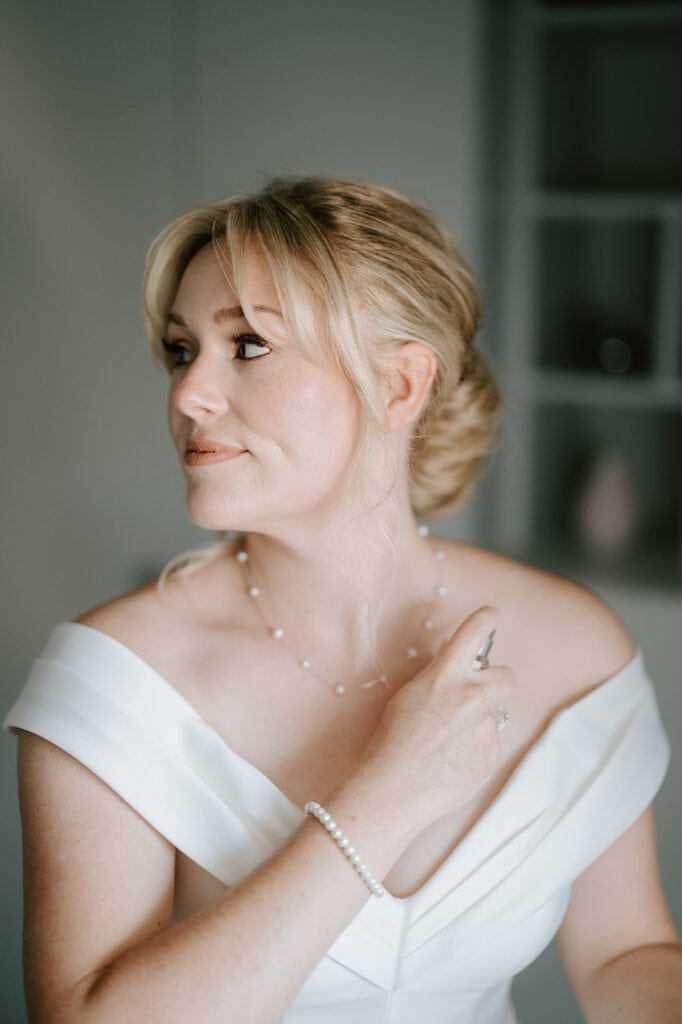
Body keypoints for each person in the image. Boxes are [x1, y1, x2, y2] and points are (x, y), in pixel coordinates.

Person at [5, 175, 681, 1024]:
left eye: (247, 345)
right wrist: (384, 797)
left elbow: (627, 951)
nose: (186, 395)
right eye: (183, 351)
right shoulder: (112, 681)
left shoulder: (576, 645)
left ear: (400, 387)